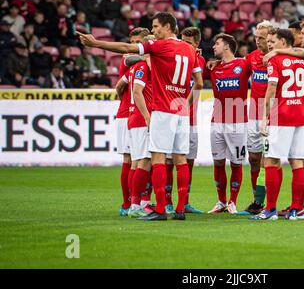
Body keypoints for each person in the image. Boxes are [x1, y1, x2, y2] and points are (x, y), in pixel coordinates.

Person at [77, 12, 203, 221]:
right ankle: (180, 207)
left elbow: (127, 49)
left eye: (156, 27)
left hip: (163, 110)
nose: (153, 31)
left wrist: (96, 43)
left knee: (158, 158)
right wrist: (184, 105)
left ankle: (161, 208)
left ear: (168, 26)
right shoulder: (190, 50)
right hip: (181, 112)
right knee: (180, 159)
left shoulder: (161, 46)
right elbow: (198, 82)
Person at [250, 28, 304, 220]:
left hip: (281, 115)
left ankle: (270, 210)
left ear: (283, 41)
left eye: (273, 41)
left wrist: (265, 117)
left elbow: (271, 87)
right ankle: (297, 209)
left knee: (271, 160)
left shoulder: (275, 59)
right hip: (300, 114)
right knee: (298, 161)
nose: (270, 44)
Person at [206, 33, 252, 215]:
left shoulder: (243, 64)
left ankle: (232, 202)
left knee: (236, 163)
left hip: (238, 122)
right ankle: (221, 201)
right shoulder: (213, 68)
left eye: (217, 44)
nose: (214, 47)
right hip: (217, 122)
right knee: (218, 162)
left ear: (227, 46)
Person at [165, 27, 206, 215]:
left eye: (189, 43)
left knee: (188, 162)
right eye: (183, 41)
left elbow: (200, 83)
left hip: (191, 121)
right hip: (172, 116)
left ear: (197, 44)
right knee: (167, 162)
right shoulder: (173, 58)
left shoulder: (201, 61)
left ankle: (185, 200)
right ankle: (166, 201)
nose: (185, 46)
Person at [114, 28, 148, 217]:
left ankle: (141, 200)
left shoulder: (141, 60)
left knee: (142, 159)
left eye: (137, 42)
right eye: (132, 40)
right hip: (128, 114)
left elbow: (119, 86)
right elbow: (119, 86)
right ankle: (128, 203)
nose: (132, 45)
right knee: (131, 159)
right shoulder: (130, 58)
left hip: (137, 113)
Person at [242, 21, 274, 214]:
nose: (258, 41)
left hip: (272, 113)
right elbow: (237, 72)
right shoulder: (252, 58)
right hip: (253, 113)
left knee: (266, 160)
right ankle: (257, 198)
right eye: (256, 37)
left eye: (261, 38)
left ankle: (263, 201)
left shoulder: (277, 58)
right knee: (254, 158)